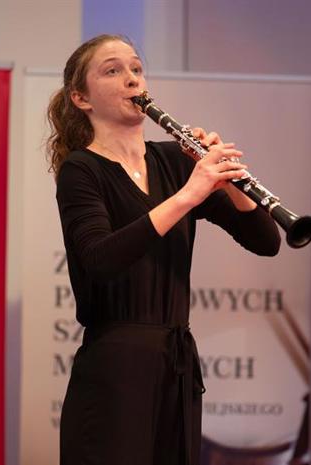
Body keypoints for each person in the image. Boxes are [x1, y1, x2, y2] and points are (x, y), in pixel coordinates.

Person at [47, 34, 281, 465]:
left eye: (136, 68)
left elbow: (266, 242)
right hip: (115, 369)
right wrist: (190, 194)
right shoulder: (82, 170)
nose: (132, 79)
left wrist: (230, 182)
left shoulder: (174, 161)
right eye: (113, 70)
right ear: (81, 98)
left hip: (176, 367)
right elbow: (100, 259)